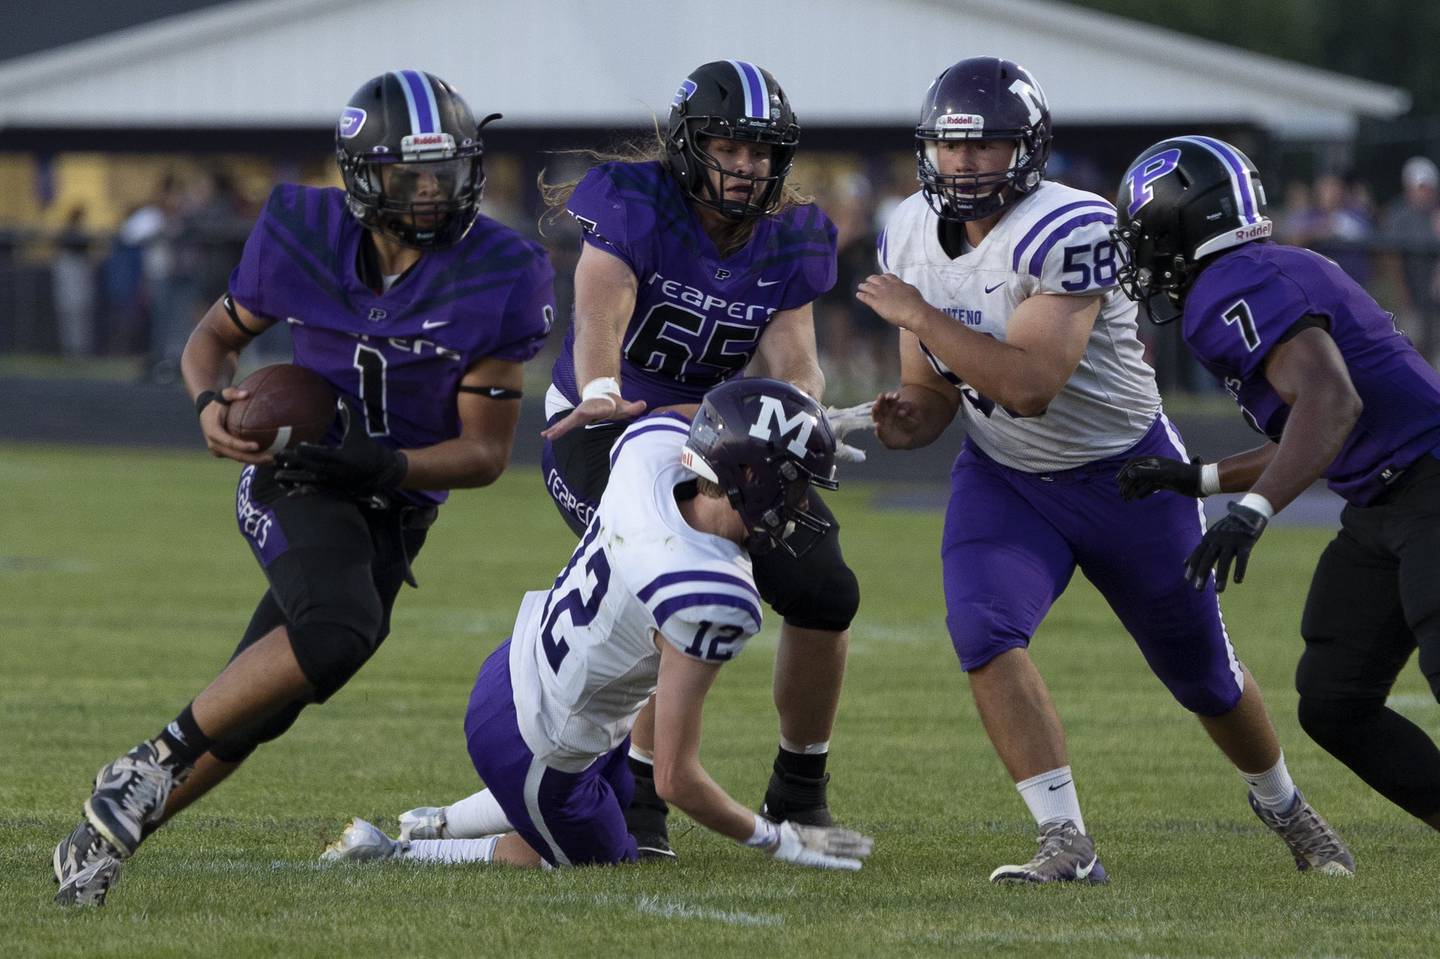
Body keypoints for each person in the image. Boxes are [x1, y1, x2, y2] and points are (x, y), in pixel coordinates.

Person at [51, 70, 556, 907]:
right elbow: (209, 342)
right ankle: (149, 764)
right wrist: (212, 402)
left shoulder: (502, 271)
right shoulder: (300, 230)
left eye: (449, 172)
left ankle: (109, 834)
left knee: (270, 697)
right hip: (297, 470)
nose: (434, 194)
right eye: (411, 176)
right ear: (363, 178)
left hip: (394, 502)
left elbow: (483, 454)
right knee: (336, 628)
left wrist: (388, 467)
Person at [855, 58, 1352, 883]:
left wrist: (918, 313)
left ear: (1031, 150)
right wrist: (909, 416)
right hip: (1008, 477)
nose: (968, 164)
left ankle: (1286, 804)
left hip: (1128, 475)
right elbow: (931, 389)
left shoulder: (1073, 225)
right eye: (952, 147)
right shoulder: (907, 228)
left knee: (1205, 677)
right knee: (982, 631)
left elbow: (1030, 384)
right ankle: (1066, 841)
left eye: (991, 146)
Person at [401, 60, 862, 861]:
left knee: (826, 586)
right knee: (664, 587)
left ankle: (800, 785)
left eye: (761, 152)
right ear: (689, 145)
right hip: (605, 425)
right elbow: (599, 309)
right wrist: (607, 384)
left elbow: (796, 360)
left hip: (723, 437)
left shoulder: (791, 232)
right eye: (730, 146)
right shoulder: (633, 202)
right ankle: (644, 791)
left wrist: (800, 414)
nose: (747, 167)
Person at [320, 379, 874, 873]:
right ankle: (397, 853)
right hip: (539, 740)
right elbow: (675, 779)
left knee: (592, 781)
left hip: (512, 668)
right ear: (749, 477)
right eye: (797, 481)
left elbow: (697, 415)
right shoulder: (712, 594)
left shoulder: (646, 454)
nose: (804, 501)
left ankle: (433, 821)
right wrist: (779, 841)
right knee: (602, 859)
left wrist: (801, 424)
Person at [1111, 136, 1440, 832]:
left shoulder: (1233, 284)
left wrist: (1254, 511)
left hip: (1428, 484)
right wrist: (1201, 478)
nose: (1136, 251)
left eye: (1143, 232)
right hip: (1387, 500)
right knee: (1334, 697)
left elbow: (1332, 404)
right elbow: (1310, 426)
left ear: (1185, 223)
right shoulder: (1254, 271)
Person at [1379, 156, 1440, 362]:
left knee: (1431, 347)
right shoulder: (1399, 215)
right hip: (1408, 294)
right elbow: (1391, 257)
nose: (1426, 192)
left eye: (1429, 187)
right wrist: (1402, 292)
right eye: (1421, 187)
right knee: (1411, 345)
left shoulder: (1435, 214)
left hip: (1432, 299)